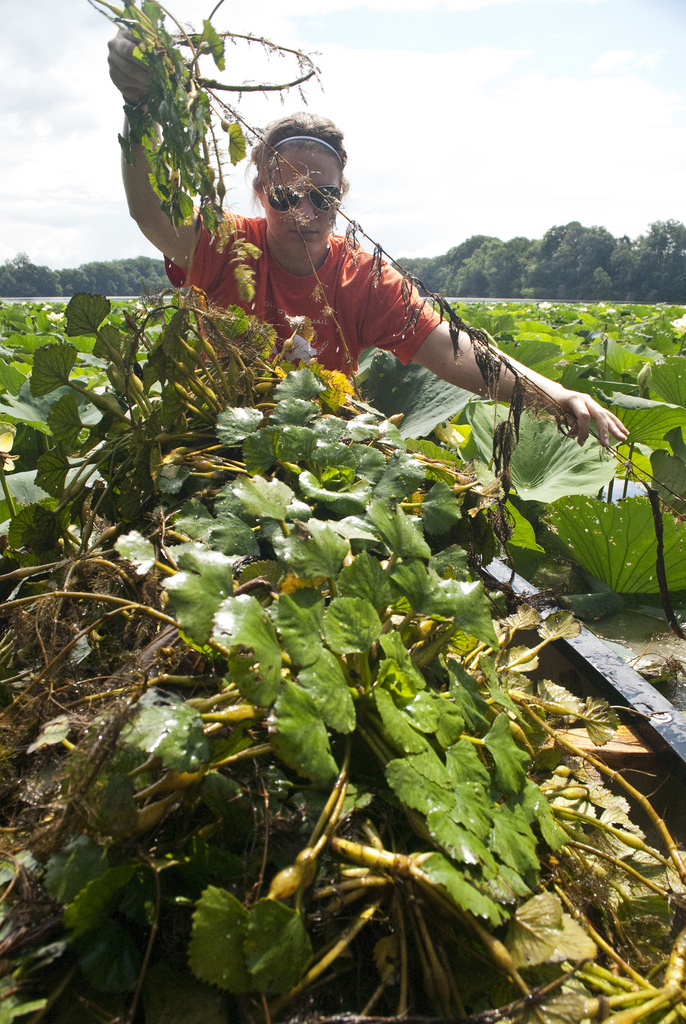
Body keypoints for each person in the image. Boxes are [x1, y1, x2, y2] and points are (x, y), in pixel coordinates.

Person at [108, 29, 627, 448]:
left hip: (324, 449)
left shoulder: (365, 276)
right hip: (215, 442)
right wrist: (140, 108)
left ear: (342, 195)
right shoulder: (228, 246)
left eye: (323, 197)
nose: (305, 213)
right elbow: (151, 212)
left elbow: (456, 351)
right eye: (287, 196)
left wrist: (555, 394)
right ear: (262, 191)